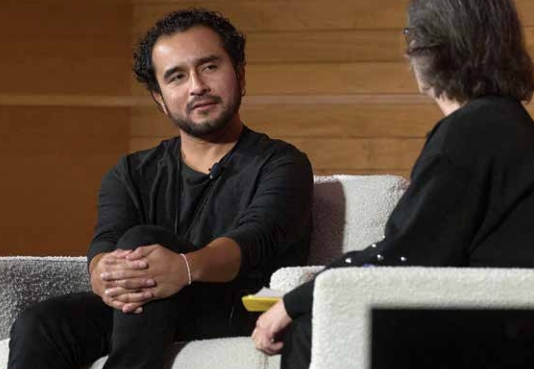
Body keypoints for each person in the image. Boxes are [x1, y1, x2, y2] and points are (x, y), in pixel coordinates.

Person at [8, 8, 313, 369]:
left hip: (238, 307)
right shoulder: (131, 172)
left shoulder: (282, 163)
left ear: (240, 74)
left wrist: (184, 268)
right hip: (143, 308)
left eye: (210, 67)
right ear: (159, 98)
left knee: (144, 240)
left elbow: (255, 239)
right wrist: (104, 275)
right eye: (176, 76)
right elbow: (106, 240)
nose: (197, 85)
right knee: (43, 323)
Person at [252, 0, 534, 367]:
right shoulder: (507, 122)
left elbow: (408, 256)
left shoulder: (469, 132)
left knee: (318, 322)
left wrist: (296, 300)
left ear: (432, 49)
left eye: (411, 38)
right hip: (505, 320)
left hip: (492, 330)